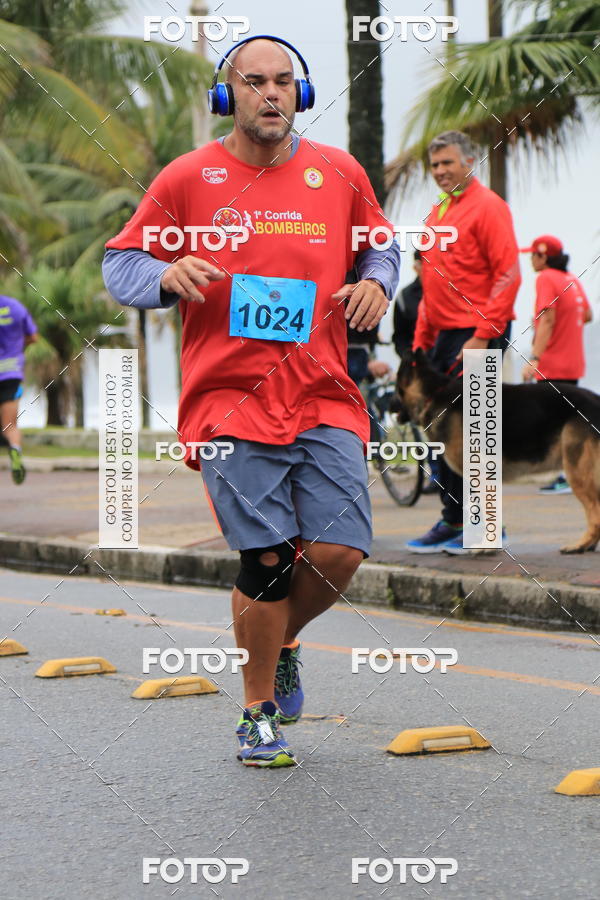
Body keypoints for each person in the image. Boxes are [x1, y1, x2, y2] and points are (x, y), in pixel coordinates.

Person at [103, 36, 400, 767]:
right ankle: (257, 711)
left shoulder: (337, 172)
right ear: (226, 95)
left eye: (283, 83)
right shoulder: (188, 177)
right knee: (266, 559)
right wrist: (166, 275)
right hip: (228, 398)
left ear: (299, 95)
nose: (271, 94)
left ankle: (281, 638)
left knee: (339, 549)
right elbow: (123, 259)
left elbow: (381, 246)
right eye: (254, 82)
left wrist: (377, 283)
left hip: (324, 389)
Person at [406, 130, 521, 554]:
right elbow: (430, 283)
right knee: (443, 432)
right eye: (434, 165)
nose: (439, 172)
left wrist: (482, 336)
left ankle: (488, 526)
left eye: (447, 163)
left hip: (478, 332)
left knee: (478, 432)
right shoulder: (438, 212)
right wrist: (420, 341)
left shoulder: (490, 208)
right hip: (443, 337)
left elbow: (508, 276)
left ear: (470, 162)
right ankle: (453, 519)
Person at [520, 234, 593, 494]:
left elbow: (548, 319)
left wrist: (536, 357)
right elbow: (586, 315)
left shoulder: (546, 278)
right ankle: (570, 474)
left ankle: (563, 476)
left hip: (552, 363)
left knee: (552, 423)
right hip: (573, 362)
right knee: (568, 421)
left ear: (544, 256)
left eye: (533, 255)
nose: (530, 260)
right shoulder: (571, 279)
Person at [0, 294, 38, 484]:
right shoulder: (15, 307)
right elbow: (33, 336)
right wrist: (16, 347)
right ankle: (15, 449)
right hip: (10, 373)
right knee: (10, 425)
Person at [392, 249, 422, 358]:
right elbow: (400, 337)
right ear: (416, 267)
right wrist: (410, 361)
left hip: (465, 355)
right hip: (421, 363)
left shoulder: (457, 291)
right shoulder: (404, 297)